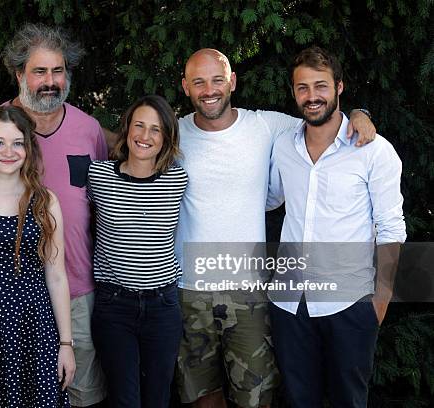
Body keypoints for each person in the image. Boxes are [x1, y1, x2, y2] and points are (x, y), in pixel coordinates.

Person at [173, 48, 376, 408]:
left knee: (256, 397)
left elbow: (320, 116)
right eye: (199, 82)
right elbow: (128, 146)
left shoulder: (266, 125)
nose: (209, 90)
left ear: (232, 82)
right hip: (189, 288)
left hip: (249, 291)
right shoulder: (172, 133)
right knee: (203, 397)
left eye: (217, 79)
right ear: (185, 86)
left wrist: (361, 114)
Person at [0, 24, 107, 407]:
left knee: (80, 394)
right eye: (39, 72)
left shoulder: (89, 130)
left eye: (58, 71)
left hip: (76, 292)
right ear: (20, 74)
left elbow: (105, 206)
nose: (50, 81)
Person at [265, 46, 405, 408]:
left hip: (350, 303)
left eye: (320, 86)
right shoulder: (283, 145)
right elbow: (270, 199)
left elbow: (390, 228)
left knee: (349, 401)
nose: (312, 96)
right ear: (294, 93)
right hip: (289, 302)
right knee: (298, 399)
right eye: (302, 88)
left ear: (339, 87)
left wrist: (381, 300)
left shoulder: (374, 151)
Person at [0, 105, 75, 407]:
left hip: (36, 325)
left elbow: (57, 275)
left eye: (17, 143)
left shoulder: (44, 200)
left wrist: (66, 344)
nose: (8, 151)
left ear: (28, 147)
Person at [87, 95, 188, 407]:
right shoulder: (99, 176)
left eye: (156, 130)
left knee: (159, 397)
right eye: (139, 126)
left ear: (166, 138)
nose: (145, 136)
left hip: (162, 305)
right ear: (127, 128)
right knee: (124, 399)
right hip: (115, 305)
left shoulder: (177, 179)